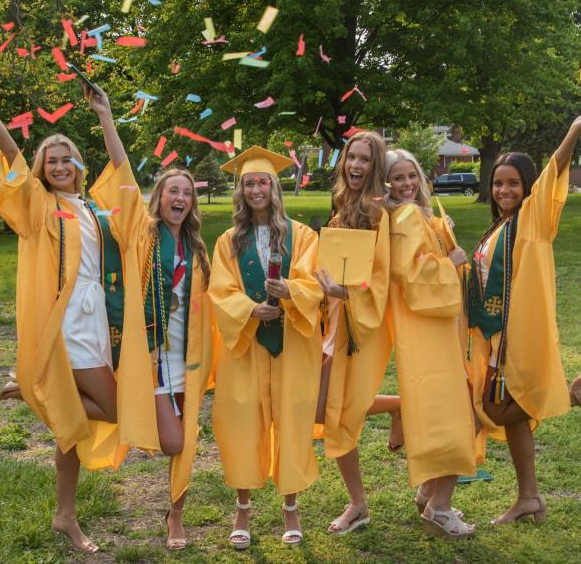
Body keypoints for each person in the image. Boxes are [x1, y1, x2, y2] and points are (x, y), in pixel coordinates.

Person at [0, 72, 156, 553]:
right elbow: (10, 157)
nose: (61, 165)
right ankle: (37, 392)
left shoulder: (94, 209)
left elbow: (125, 181)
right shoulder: (39, 206)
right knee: (119, 408)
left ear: (79, 166)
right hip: (66, 321)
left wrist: (106, 117)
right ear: (43, 170)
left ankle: (64, 515)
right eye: (52, 160)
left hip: (96, 317)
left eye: (68, 158)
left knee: (69, 434)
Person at [467, 104, 581, 525]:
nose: (503, 191)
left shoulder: (533, 218)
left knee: (495, 410)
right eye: (498, 183)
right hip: (496, 334)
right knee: (513, 417)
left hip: (519, 334)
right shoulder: (498, 228)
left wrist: (573, 131)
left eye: (513, 183)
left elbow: (557, 168)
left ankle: (571, 395)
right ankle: (529, 497)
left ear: (528, 187)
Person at [88, 89, 219, 551]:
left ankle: (176, 516)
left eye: (186, 192)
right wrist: (107, 116)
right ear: (158, 199)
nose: (179, 197)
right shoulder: (141, 235)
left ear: (192, 204)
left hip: (190, 357)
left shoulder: (199, 250)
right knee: (172, 441)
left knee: (186, 441)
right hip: (150, 355)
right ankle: (65, 405)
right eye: (171, 191)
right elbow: (122, 179)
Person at [208, 147, 324, 549]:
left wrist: (290, 290)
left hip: (291, 342)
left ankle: (290, 507)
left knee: (291, 419)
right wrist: (250, 308)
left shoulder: (303, 235)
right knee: (242, 421)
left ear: (275, 188)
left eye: (263, 182)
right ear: (240, 192)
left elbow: (314, 284)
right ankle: (242, 508)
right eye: (249, 183)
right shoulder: (227, 241)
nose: (256, 189)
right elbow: (219, 290)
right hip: (246, 344)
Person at [385, 148, 477, 538]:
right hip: (426, 329)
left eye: (411, 176)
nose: (407, 184)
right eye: (397, 178)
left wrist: (441, 232)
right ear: (386, 183)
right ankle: (439, 507)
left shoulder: (418, 214)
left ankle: (429, 492)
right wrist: (451, 261)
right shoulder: (405, 216)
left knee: (445, 413)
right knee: (455, 417)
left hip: (434, 330)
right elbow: (413, 277)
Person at [313, 131, 394, 534]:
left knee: (336, 411)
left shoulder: (382, 213)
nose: (356, 166)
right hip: (338, 319)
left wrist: (344, 291)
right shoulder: (344, 205)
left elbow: (384, 279)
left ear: (376, 165)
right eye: (351, 158)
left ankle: (358, 504)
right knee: (327, 409)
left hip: (364, 323)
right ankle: (400, 406)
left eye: (364, 159)